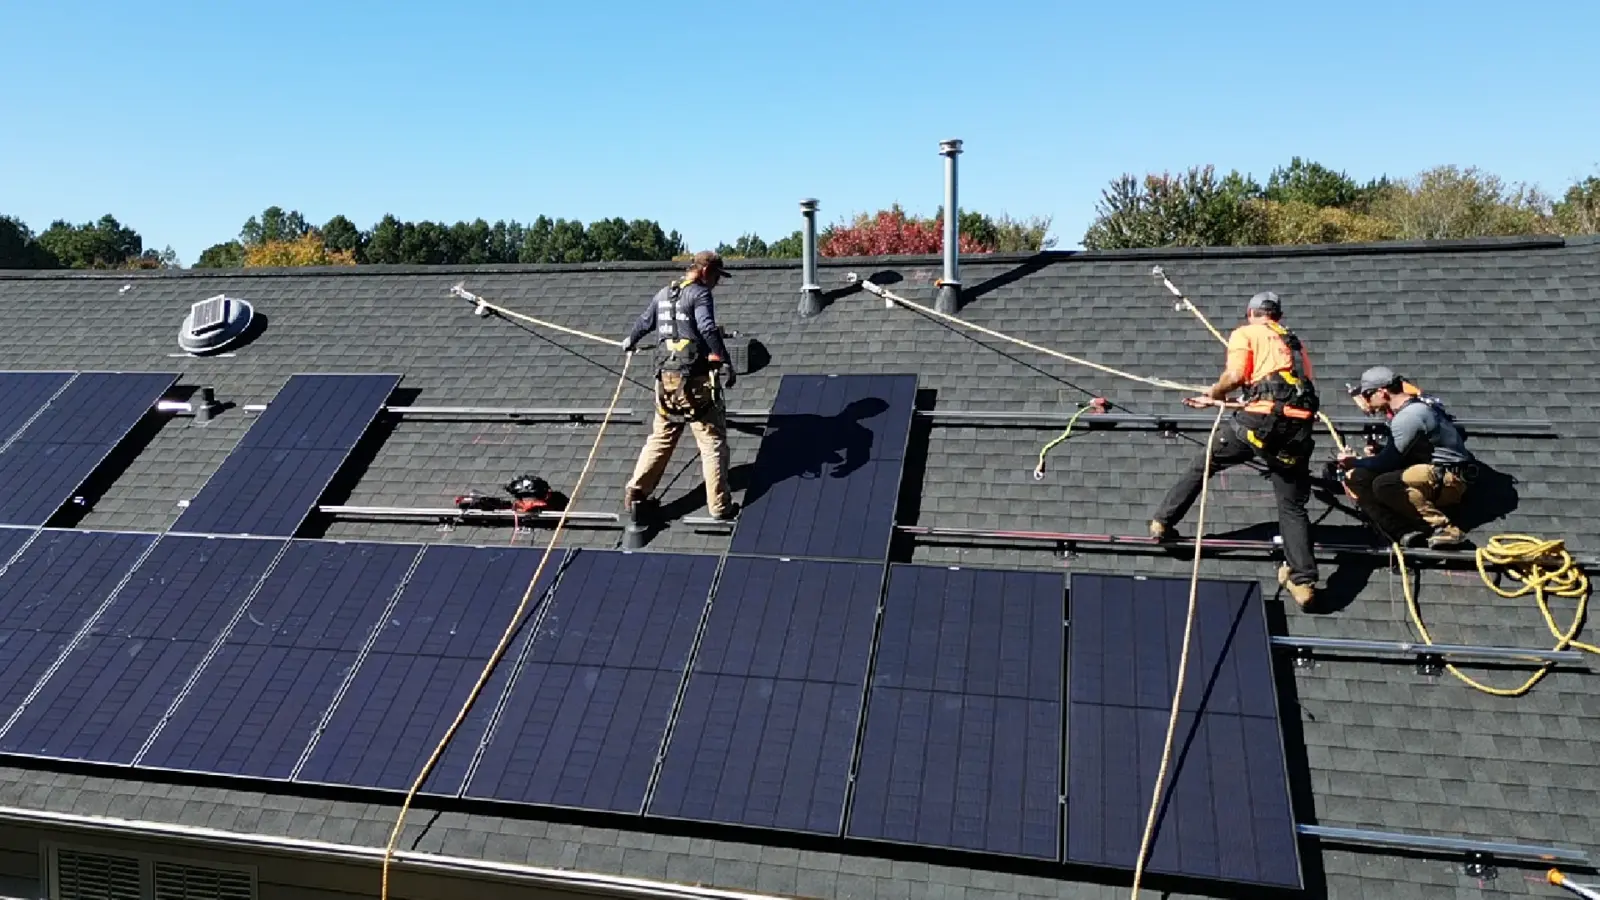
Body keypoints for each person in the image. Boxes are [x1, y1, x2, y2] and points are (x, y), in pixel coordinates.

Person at [1148, 290, 1320, 609]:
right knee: (1292, 507)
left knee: (1204, 464)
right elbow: (1283, 393)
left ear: (1250, 312)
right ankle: (1303, 580)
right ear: (1277, 316)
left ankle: (1163, 521)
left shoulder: (1246, 333)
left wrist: (1212, 391)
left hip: (1257, 425)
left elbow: (1236, 376)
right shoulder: (1295, 345)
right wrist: (1220, 401)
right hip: (1296, 431)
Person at [621, 250, 740, 523]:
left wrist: (630, 340)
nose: (716, 283)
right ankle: (720, 507)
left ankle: (637, 492)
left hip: (665, 382)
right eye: (717, 277)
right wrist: (724, 360)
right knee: (712, 442)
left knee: (662, 436)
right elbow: (707, 328)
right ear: (706, 270)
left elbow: (644, 322)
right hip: (693, 383)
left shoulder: (665, 293)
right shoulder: (699, 294)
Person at [1335, 366, 1473, 549]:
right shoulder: (1409, 412)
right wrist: (1375, 455)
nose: (1367, 402)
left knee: (1385, 484)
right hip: (1433, 473)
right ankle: (1402, 531)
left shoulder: (1408, 416)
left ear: (1382, 392)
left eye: (1368, 395)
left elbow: (1387, 463)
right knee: (1357, 477)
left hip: (1449, 479)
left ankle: (1445, 529)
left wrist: (1353, 461)